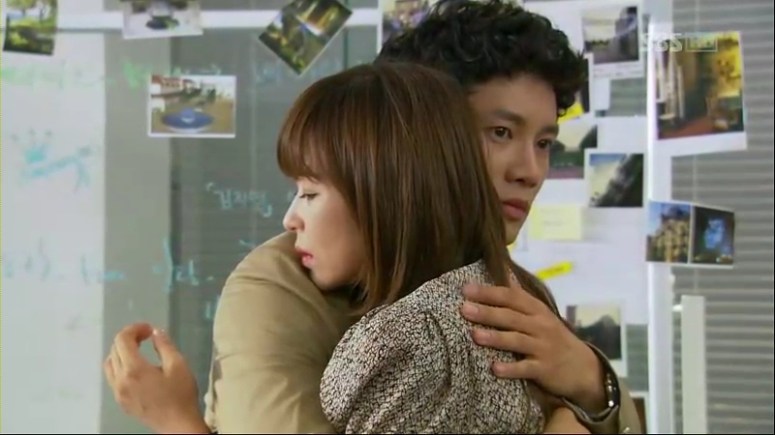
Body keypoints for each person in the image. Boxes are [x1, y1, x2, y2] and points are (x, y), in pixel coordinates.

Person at [104, 1, 643, 434]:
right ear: (419, 135)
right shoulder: (284, 283)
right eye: (500, 133)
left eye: (545, 142)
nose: (531, 170)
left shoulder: (509, 287)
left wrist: (589, 378)